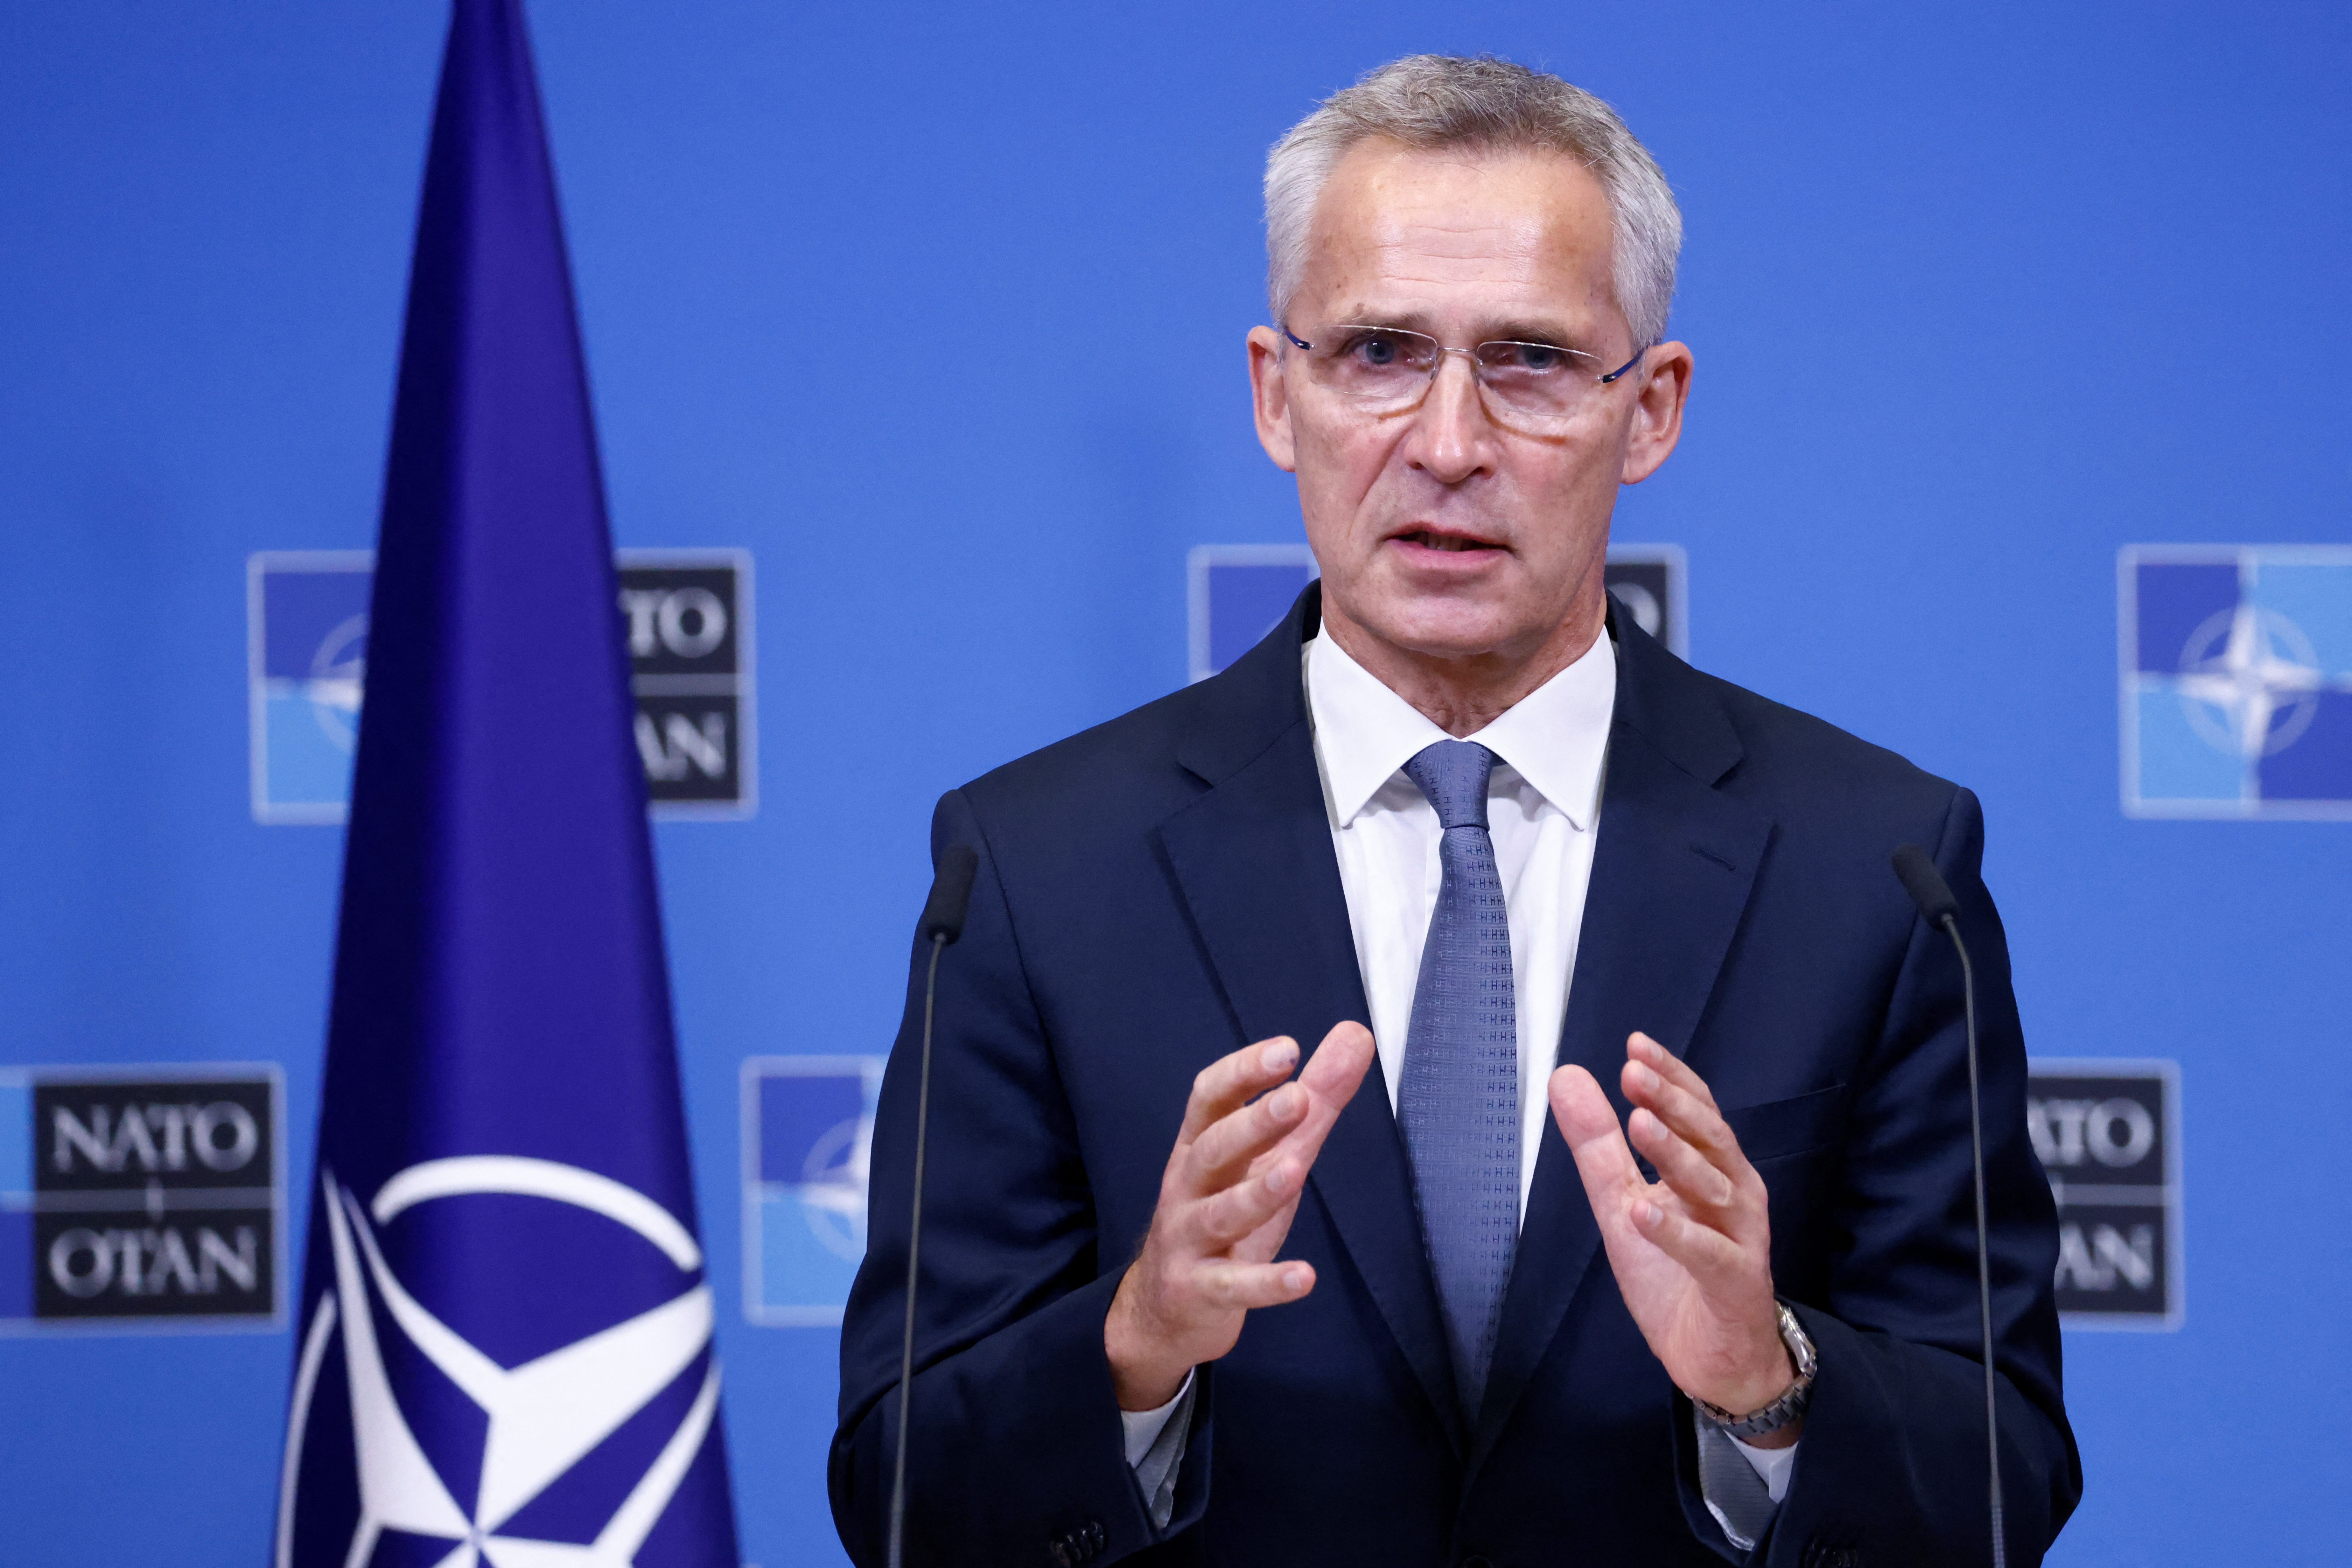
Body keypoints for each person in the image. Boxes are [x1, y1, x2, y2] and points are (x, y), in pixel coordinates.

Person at [832, 54, 2079, 1567]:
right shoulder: (1034, 867)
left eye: (1533, 361)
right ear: (1274, 393)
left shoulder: (1880, 869)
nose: (1446, 442)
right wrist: (1137, 1342)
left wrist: (1771, 1383)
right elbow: (898, 1497)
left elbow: (2005, 1480)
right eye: (1376, 351)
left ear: (1654, 409)